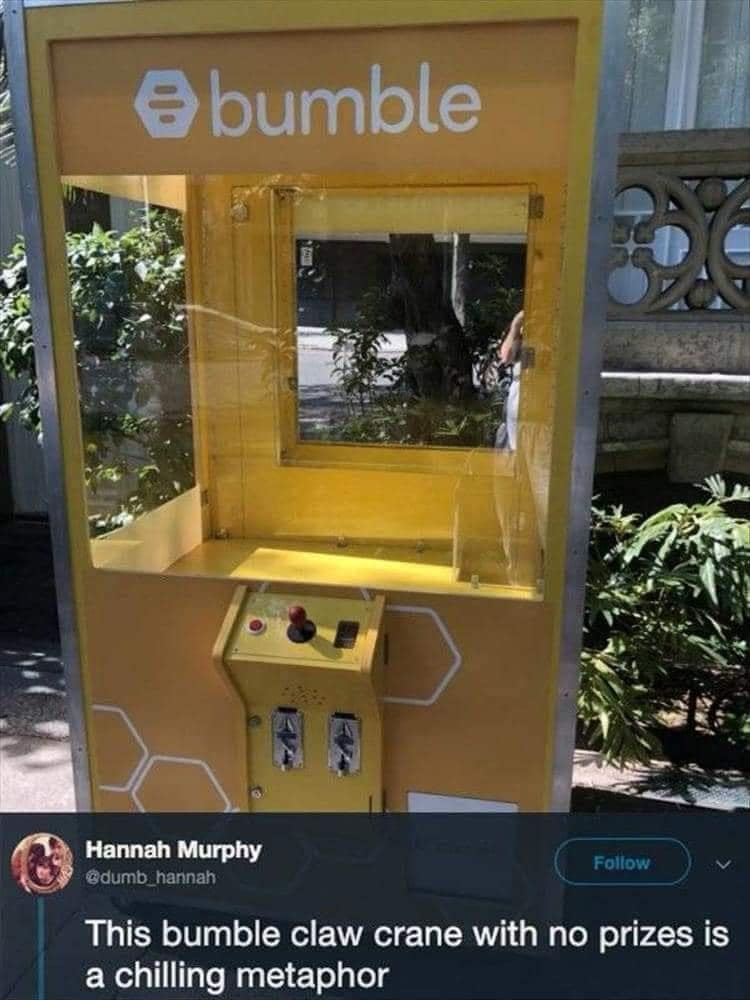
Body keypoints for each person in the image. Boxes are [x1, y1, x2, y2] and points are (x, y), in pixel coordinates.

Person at [494, 309, 523, 451]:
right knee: (516, 448)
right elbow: (505, 357)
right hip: (520, 391)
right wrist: (516, 325)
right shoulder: (525, 328)